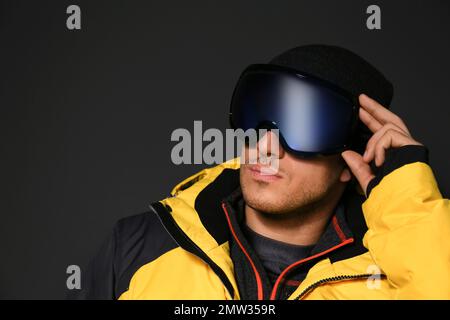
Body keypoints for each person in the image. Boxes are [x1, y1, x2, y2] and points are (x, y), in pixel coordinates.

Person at [72, 45, 450, 300]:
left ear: (354, 157)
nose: (267, 146)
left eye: (304, 126)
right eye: (258, 117)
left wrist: (409, 203)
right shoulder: (140, 247)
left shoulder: (390, 268)